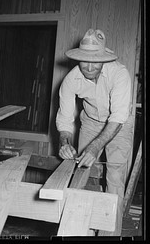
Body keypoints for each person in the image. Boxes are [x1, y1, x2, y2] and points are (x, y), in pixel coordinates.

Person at [56, 28, 134, 236]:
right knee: (81, 169)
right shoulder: (71, 80)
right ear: (78, 59)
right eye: (84, 61)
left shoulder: (119, 74)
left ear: (104, 59)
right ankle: (79, 227)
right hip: (90, 121)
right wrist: (65, 143)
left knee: (115, 176)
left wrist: (96, 146)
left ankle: (110, 233)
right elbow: (65, 119)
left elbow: (118, 117)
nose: (89, 67)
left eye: (95, 61)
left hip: (120, 123)